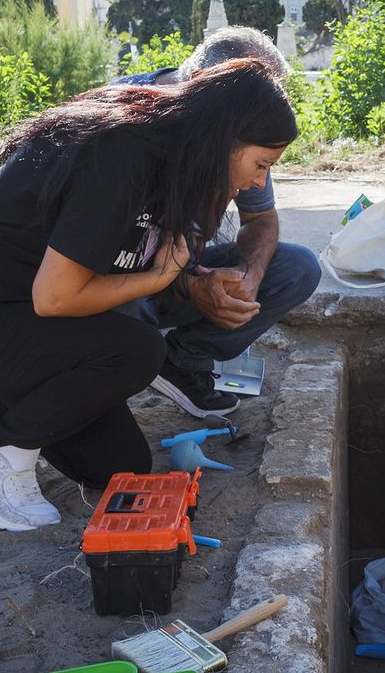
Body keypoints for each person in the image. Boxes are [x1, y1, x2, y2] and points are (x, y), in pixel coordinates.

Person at [0, 60, 297, 531]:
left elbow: (135, 261)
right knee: (136, 351)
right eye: (260, 165)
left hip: (28, 320)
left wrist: (190, 278)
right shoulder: (122, 156)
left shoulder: (181, 166)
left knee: (116, 466)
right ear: (223, 139)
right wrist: (158, 280)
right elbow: (56, 299)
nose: (257, 183)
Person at [111, 27, 320, 417]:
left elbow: (260, 217)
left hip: (170, 274)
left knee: (298, 268)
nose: (259, 178)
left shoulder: (240, 130)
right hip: (110, 281)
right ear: (213, 95)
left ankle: (182, 361)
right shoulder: (127, 121)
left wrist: (249, 274)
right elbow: (99, 257)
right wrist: (191, 286)